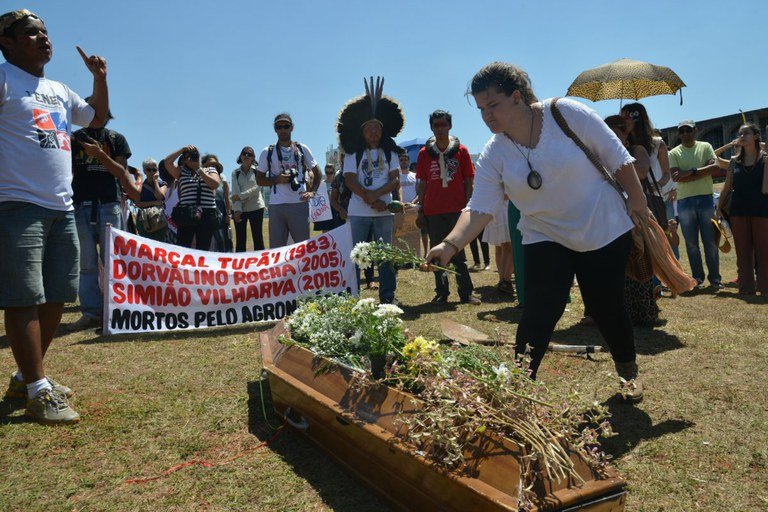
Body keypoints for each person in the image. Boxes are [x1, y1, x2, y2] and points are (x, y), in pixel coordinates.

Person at [426, 62, 648, 402]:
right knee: (541, 307)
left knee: (606, 307)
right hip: (545, 232)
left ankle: (628, 372)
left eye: (493, 105)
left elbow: (617, 158)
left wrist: (637, 201)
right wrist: (450, 243)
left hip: (600, 227)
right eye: (481, 108)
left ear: (516, 97)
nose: (487, 115)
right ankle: (518, 384)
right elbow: (480, 207)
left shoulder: (567, 113)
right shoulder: (495, 151)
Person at [0, 9, 110, 423]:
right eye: (31, 33)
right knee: (23, 296)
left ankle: (26, 377)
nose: (44, 38)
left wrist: (99, 77)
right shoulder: (4, 79)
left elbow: (96, 119)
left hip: (62, 207)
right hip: (15, 205)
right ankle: (37, 389)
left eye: (45, 32)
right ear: (7, 42)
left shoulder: (59, 89)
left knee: (57, 294)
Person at [337, 77, 403, 305]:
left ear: (382, 131)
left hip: (384, 212)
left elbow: (395, 179)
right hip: (359, 212)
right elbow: (349, 179)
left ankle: (387, 297)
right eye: (369, 128)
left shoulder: (390, 152)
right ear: (362, 131)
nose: (374, 132)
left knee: (385, 257)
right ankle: (353, 296)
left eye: (377, 128)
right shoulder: (352, 154)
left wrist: (377, 196)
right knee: (356, 256)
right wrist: (369, 197)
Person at [69, 102, 135, 329]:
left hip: (109, 204)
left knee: (113, 260)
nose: (98, 117)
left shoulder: (116, 139)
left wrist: (99, 155)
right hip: (80, 205)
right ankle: (91, 313)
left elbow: (120, 172)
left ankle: (120, 309)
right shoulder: (73, 138)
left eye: (102, 113)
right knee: (86, 263)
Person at [416, 110, 480, 305]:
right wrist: (420, 208)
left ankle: (466, 293)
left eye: (443, 124)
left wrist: (467, 204)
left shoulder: (462, 151)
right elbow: (422, 183)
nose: (440, 128)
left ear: (450, 126)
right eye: (436, 125)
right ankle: (442, 292)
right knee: (436, 254)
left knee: (458, 253)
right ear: (431, 128)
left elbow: (469, 180)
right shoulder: (424, 153)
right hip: (433, 210)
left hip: (456, 209)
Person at [606, 115, 660, 326]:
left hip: (633, 213)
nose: (611, 135)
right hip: (609, 213)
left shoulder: (637, 150)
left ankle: (641, 311)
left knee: (637, 258)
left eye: (615, 131)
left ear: (624, 133)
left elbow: (641, 172)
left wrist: (616, 155)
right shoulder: (600, 151)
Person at [669, 120, 722, 289]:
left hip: (706, 199)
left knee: (711, 242)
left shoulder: (706, 146)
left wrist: (689, 173)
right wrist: (699, 171)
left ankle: (715, 279)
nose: (685, 133)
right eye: (682, 131)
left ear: (695, 130)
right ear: (679, 133)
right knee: (691, 244)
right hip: (684, 202)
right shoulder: (674, 152)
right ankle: (697, 278)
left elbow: (714, 168)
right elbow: (675, 176)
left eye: (688, 130)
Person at [716, 124, 768, 296]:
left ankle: (765, 287)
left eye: (746, 132)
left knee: (764, 250)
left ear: (756, 136)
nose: (742, 135)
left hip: (762, 210)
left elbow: (766, 187)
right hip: (738, 210)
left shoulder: (765, 158)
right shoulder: (733, 161)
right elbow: (727, 186)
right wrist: (718, 208)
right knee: (743, 251)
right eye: (740, 133)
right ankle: (746, 288)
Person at [256, 113, 321, 248]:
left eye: (286, 126)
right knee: (277, 249)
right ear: (275, 129)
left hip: (299, 203)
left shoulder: (302, 148)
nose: (283, 130)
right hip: (276, 205)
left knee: (302, 248)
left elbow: (318, 172)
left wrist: (313, 192)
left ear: (292, 128)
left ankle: (302, 270)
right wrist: (277, 179)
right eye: (279, 127)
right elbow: (259, 180)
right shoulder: (267, 152)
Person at [163, 146, 220, 249]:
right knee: (183, 248)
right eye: (187, 157)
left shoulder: (210, 170)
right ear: (184, 160)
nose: (191, 159)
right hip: (186, 214)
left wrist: (198, 169)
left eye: (195, 156)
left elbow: (215, 184)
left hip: (207, 215)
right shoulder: (181, 172)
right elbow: (167, 162)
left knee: (203, 249)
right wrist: (181, 150)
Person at [230, 146, 265, 251]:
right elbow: (235, 192)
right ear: (240, 156)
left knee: (258, 238)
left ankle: (261, 265)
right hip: (241, 209)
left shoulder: (258, 171)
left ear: (253, 157)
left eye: (249, 154)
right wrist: (237, 210)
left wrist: (241, 196)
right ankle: (240, 266)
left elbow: (257, 189)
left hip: (256, 208)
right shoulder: (235, 173)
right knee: (240, 240)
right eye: (244, 153)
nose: (246, 156)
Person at [202, 153, 232, 252]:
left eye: (214, 165)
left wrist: (228, 213)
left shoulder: (222, 178)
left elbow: (226, 198)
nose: (212, 167)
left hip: (221, 210)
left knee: (222, 238)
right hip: (206, 210)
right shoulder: (201, 177)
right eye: (210, 165)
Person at [134, 158, 168, 242]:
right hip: (144, 220)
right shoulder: (140, 185)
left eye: (154, 170)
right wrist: (154, 203)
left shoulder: (162, 183)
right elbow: (137, 203)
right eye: (149, 170)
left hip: (159, 219)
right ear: (144, 171)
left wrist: (156, 181)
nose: (152, 172)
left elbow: (160, 196)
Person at [314, 164, 344, 233]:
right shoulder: (321, 184)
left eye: (331, 172)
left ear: (334, 172)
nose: (329, 174)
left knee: (338, 232)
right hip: (325, 212)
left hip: (336, 210)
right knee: (326, 234)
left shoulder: (338, 183)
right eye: (327, 172)